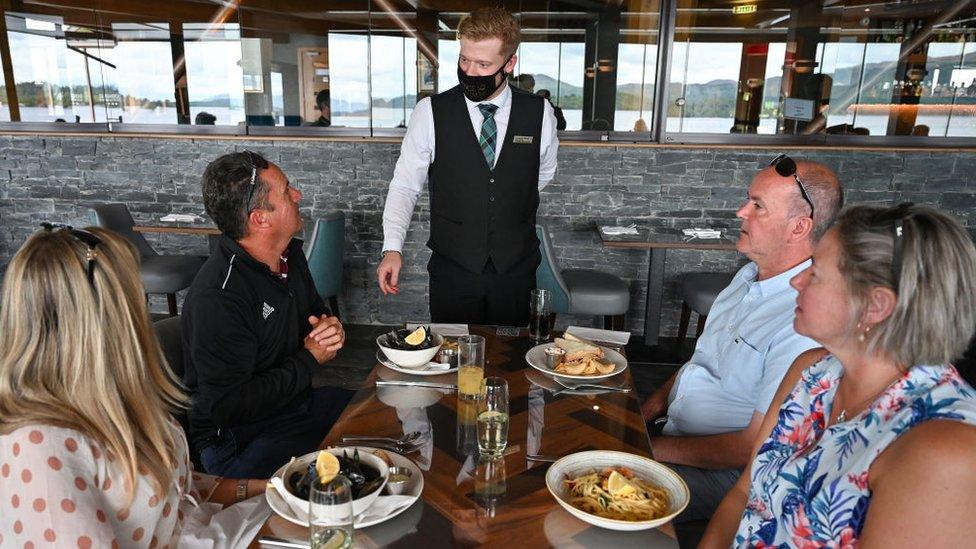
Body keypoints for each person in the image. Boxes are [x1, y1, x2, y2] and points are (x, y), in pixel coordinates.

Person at [701, 204, 976, 547]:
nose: (795, 281)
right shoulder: (812, 373)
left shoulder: (943, 449)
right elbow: (745, 493)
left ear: (875, 306)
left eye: (815, 272)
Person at [0, 225, 266, 546]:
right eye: (134, 290)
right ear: (110, 316)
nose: (142, 302)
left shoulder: (110, 399)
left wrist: (268, 489)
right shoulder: (39, 446)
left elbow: (171, 487)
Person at [642, 155, 844, 522]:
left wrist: (644, 448)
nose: (740, 212)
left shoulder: (802, 319)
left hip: (727, 475)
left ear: (798, 228)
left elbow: (750, 448)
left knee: (586, 483)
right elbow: (699, 362)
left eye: (757, 205)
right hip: (674, 435)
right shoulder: (747, 277)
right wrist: (643, 412)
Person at [376, 6, 559, 325]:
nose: (470, 72)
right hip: (453, 271)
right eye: (464, 59)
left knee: (510, 365)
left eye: (483, 64)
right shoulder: (430, 112)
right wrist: (393, 247)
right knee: (453, 364)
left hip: (515, 272)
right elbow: (405, 185)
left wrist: (500, 194)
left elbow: (541, 175)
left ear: (510, 63)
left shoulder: (539, 113)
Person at [182, 151, 351, 478]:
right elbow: (226, 406)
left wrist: (330, 328)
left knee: (383, 417)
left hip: (294, 407)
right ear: (260, 218)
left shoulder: (290, 257)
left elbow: (316, 313)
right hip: (239, 440)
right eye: (288, 191)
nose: (298, 195)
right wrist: (311, 357)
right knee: (346, 483)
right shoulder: (219, 296)